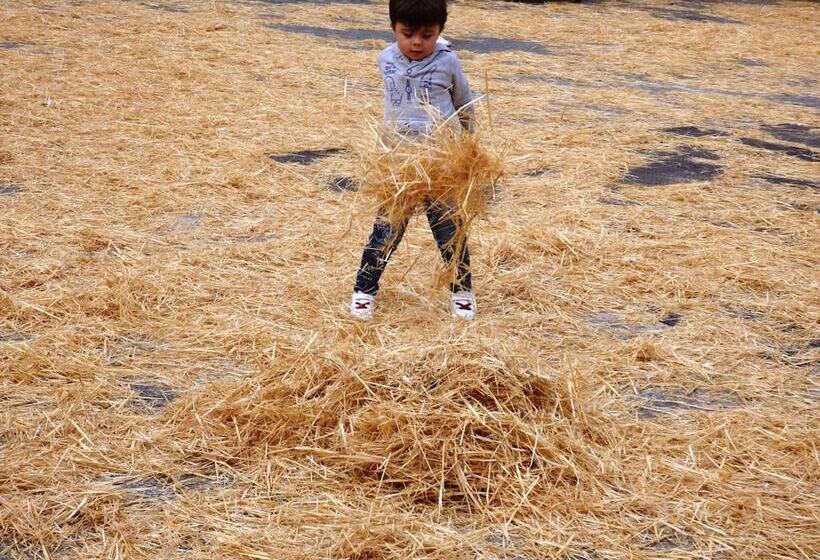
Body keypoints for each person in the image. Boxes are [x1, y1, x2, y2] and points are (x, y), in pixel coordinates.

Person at [351, 0, 477, 321]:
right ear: (393, 27)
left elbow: (464, 103)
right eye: (408, 34)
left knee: (450, 231)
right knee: (385, 231)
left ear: (440, 32)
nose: (417, 42)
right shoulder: (386, 59)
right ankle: (364, 291)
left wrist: (469, 145)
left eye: (427, 34)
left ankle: (461, 291)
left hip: (440, 163)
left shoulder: (448, 62)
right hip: (399, 165)